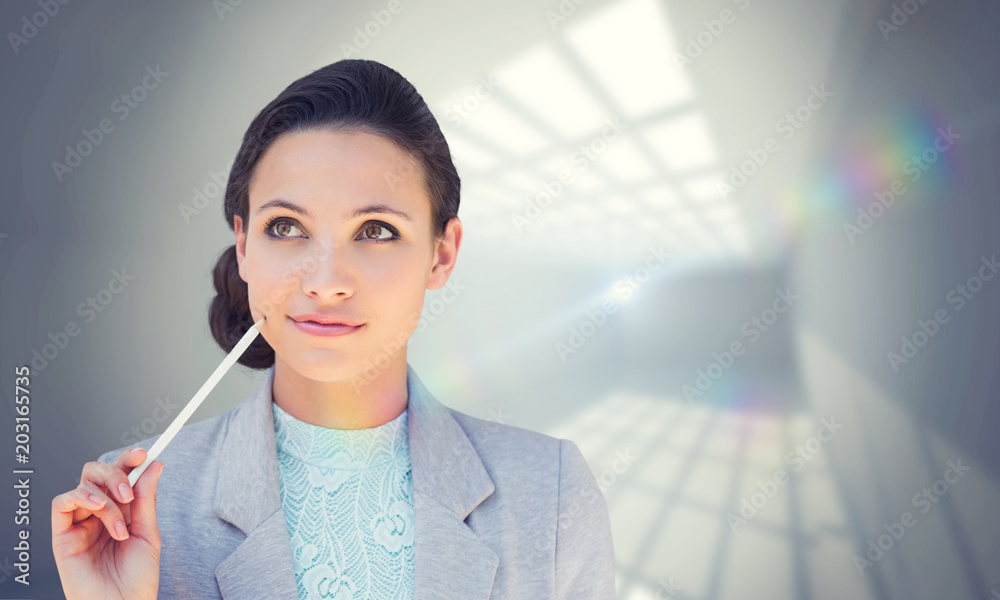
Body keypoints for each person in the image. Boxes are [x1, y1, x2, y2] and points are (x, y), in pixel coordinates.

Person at [51, 59, 616, 600]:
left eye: (375, 230)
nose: (323, 282)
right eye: (287, 226)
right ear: (244, 247)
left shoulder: (552, 493)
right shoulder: (136, 507)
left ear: (442, 255)